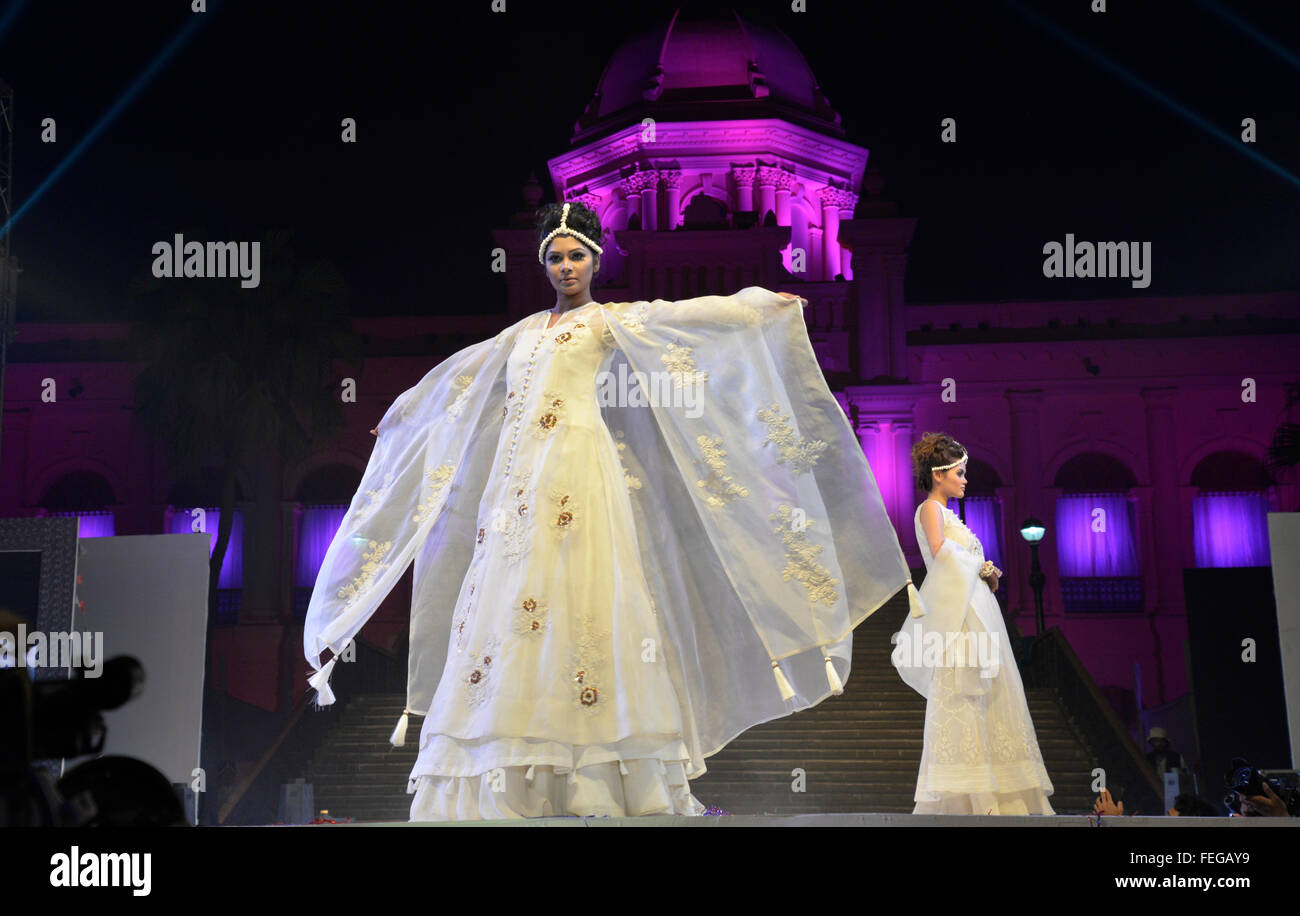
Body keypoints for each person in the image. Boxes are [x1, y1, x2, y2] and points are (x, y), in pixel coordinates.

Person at [302, 200, 920, 820]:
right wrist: (406, 413)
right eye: (554, 257)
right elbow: (458, 379)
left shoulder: (610, 322)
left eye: (576, 255)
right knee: (508, 611)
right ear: (542, 264)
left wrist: (762, 305)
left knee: (586, 602)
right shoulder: (519, 336)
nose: (566, 266)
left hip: (579, 474)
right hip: (516, 492)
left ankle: (598, 777)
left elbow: (690, 320)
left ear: (596, 260)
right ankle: (513, 777)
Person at [892, 432, 1054, 814]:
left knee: (991, 698)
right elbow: (939, 551)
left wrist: (986, 574)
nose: (965, 480)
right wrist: (979, 566)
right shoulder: (930, 509)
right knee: (965, 694)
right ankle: (971, 796)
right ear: (939, 475)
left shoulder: (949, 513)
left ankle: (998, 792)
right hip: (960, 618)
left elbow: (953, 555)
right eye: (959, 473)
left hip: (975, 609)